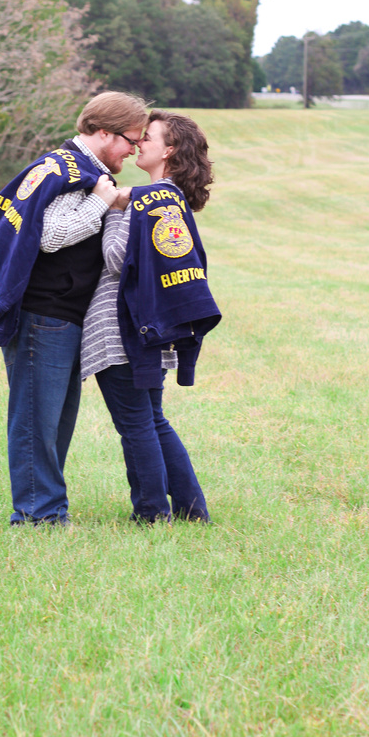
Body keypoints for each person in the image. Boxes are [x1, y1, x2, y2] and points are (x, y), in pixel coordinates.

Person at [0, 92, 149, 525]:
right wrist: (102, 200)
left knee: (55, 421)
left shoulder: (69, 168)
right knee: (35, 421)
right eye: (129, 141)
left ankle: (45, 509)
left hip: (60, 316)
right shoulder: (74, 173)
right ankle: (37, 516)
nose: (134, 151)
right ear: (103, 132)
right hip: (44, 315)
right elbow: (51, 236)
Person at [81, 110, 221, 523]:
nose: (139, 142)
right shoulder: (166, 198)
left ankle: (151, 513)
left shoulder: (147, 199)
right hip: (152, 328)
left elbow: (117, 258)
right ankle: (192, 511)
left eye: (149, 137)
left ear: (169, 150)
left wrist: (110, 208)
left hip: (123, 327)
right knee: (152, 420)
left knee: (136, 424)